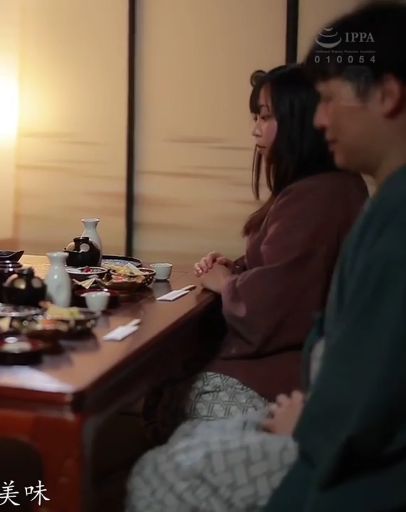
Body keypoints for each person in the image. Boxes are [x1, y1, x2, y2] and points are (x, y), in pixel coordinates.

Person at [126, 2, 406, 510]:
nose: (319, 118)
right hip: (324, 411)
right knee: (184, 439)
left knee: (160, 475)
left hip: (356, 454)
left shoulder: (396, 212)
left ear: (388, 95)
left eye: (327, 100)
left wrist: (311, 424)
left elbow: (378, 382)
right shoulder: (382, 197)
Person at [143, 64, 368, 441]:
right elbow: (288, 272)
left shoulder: (315, 198)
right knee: (167, 382)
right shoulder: (332, 186)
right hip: (305, 365)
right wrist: (236, 269)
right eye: (255, 117)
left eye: (265, 117)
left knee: (176, 392)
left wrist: (226, 283)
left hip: (286, 375)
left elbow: (275, 305)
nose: (255, 130)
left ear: (300, 121)